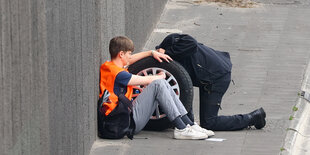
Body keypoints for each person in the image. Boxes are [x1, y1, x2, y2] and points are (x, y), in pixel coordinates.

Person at [98, 36, 214, 140]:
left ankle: (189, 124)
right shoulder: (119, 74)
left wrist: (151, 53)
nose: (131, 57)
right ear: (121, 54)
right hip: (124, 122)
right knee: (158, 83)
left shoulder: (109, 66)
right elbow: (146, 80)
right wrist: (159, 76)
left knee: (159, 83)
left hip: (123, 115)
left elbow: (130, 61)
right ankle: (181, 129)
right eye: (129, 53)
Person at [155, 33, 266, 131]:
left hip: (217, 77)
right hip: (210, 71)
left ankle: (252, 117)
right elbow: (185, 87)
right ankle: (190, 121)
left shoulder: (170, 43)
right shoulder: (171, 65)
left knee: (209, 122)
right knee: (192, 119)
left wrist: (168, 52)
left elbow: (191, 42)